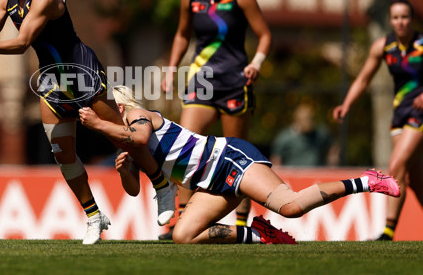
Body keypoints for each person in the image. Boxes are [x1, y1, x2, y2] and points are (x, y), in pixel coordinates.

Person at [0, 0, 176, 244]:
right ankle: (95, 216)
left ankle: (162, 186)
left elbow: (21, 43)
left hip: (82, 75)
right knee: (63, 153)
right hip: (52, 83)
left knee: (123, 139)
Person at [79, 85, 400, 244]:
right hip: (210, 183)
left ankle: (367, 181)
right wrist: (124, 171)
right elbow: (134, 191)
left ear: (119, 105)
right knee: (183, 236)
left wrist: (96, 124)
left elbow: (141, 135)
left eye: (107, 108)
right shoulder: (126, 139)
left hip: (228, 159)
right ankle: (259, 234)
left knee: (289, 206)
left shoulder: (136, 116)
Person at [160, 0, 272, 239]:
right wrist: (171, 68)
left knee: (240, 156)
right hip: (203, 81)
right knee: (182, 149)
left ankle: (242, 223)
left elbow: (265, 35)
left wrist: (257, 64)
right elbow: (182, 34)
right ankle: (182, 220)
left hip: (236, 83)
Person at [333, 0, 423, 241]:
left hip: (420, 115)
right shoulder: (384, 46)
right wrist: (347, 104)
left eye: (405, 17)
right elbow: (363, 79)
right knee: (413, 179)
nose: (401, 22)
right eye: (396, 17)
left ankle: (387, 231)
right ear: (390, 20)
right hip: (399, 115)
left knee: (395, 167)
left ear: (412, 19)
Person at [271, 103, 339, 166]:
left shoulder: (320, 133)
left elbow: (333, 147)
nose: (309, 122)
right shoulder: (285, 137)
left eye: (311, 119)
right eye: (306, 119)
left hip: (317, 175)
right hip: (293, 176)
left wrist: (332, 163)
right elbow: (276, 160)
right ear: (296, 120)